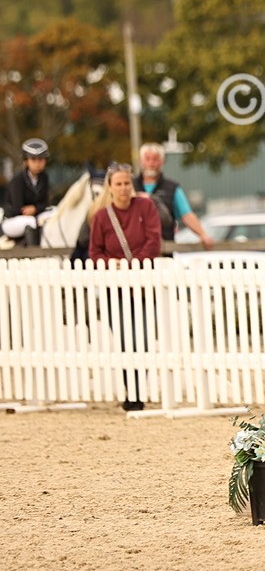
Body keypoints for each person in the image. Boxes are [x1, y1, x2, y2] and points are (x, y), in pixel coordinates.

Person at [89, 162, 163, 412]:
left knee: (140, 338)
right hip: (114, 288)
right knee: (122, 339)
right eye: (118, 184)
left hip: (141, 285)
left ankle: (139, 392)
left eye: (126, 183)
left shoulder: (146, 207)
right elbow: (95, 253)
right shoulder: (101, 217)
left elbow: (154, 240)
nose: (123, 188)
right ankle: (129, 392)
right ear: (110, 187)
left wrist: (136, 264)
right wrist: (115, 265)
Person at [134, 143, 213, 253]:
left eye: (155, 159)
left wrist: (202, 235)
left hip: (165, 247)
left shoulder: (172, 187)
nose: (151, 163)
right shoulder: (130, 186)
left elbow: (186, 215)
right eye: (147, 159)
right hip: (135, 249)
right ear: (141, 161)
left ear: (162, 162)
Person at [2, 138, 53, 245]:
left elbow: (46, 203)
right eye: (34, 159)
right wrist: (35, 209)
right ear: (26, 161)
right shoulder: (18, 180)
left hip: (35, 215)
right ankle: (34, 254)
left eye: (41, 159)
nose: (38, 163)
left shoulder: (44, 178)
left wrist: (35, 209)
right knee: (30, 222)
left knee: (54, 215)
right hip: (12, 220)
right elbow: (17, 208)